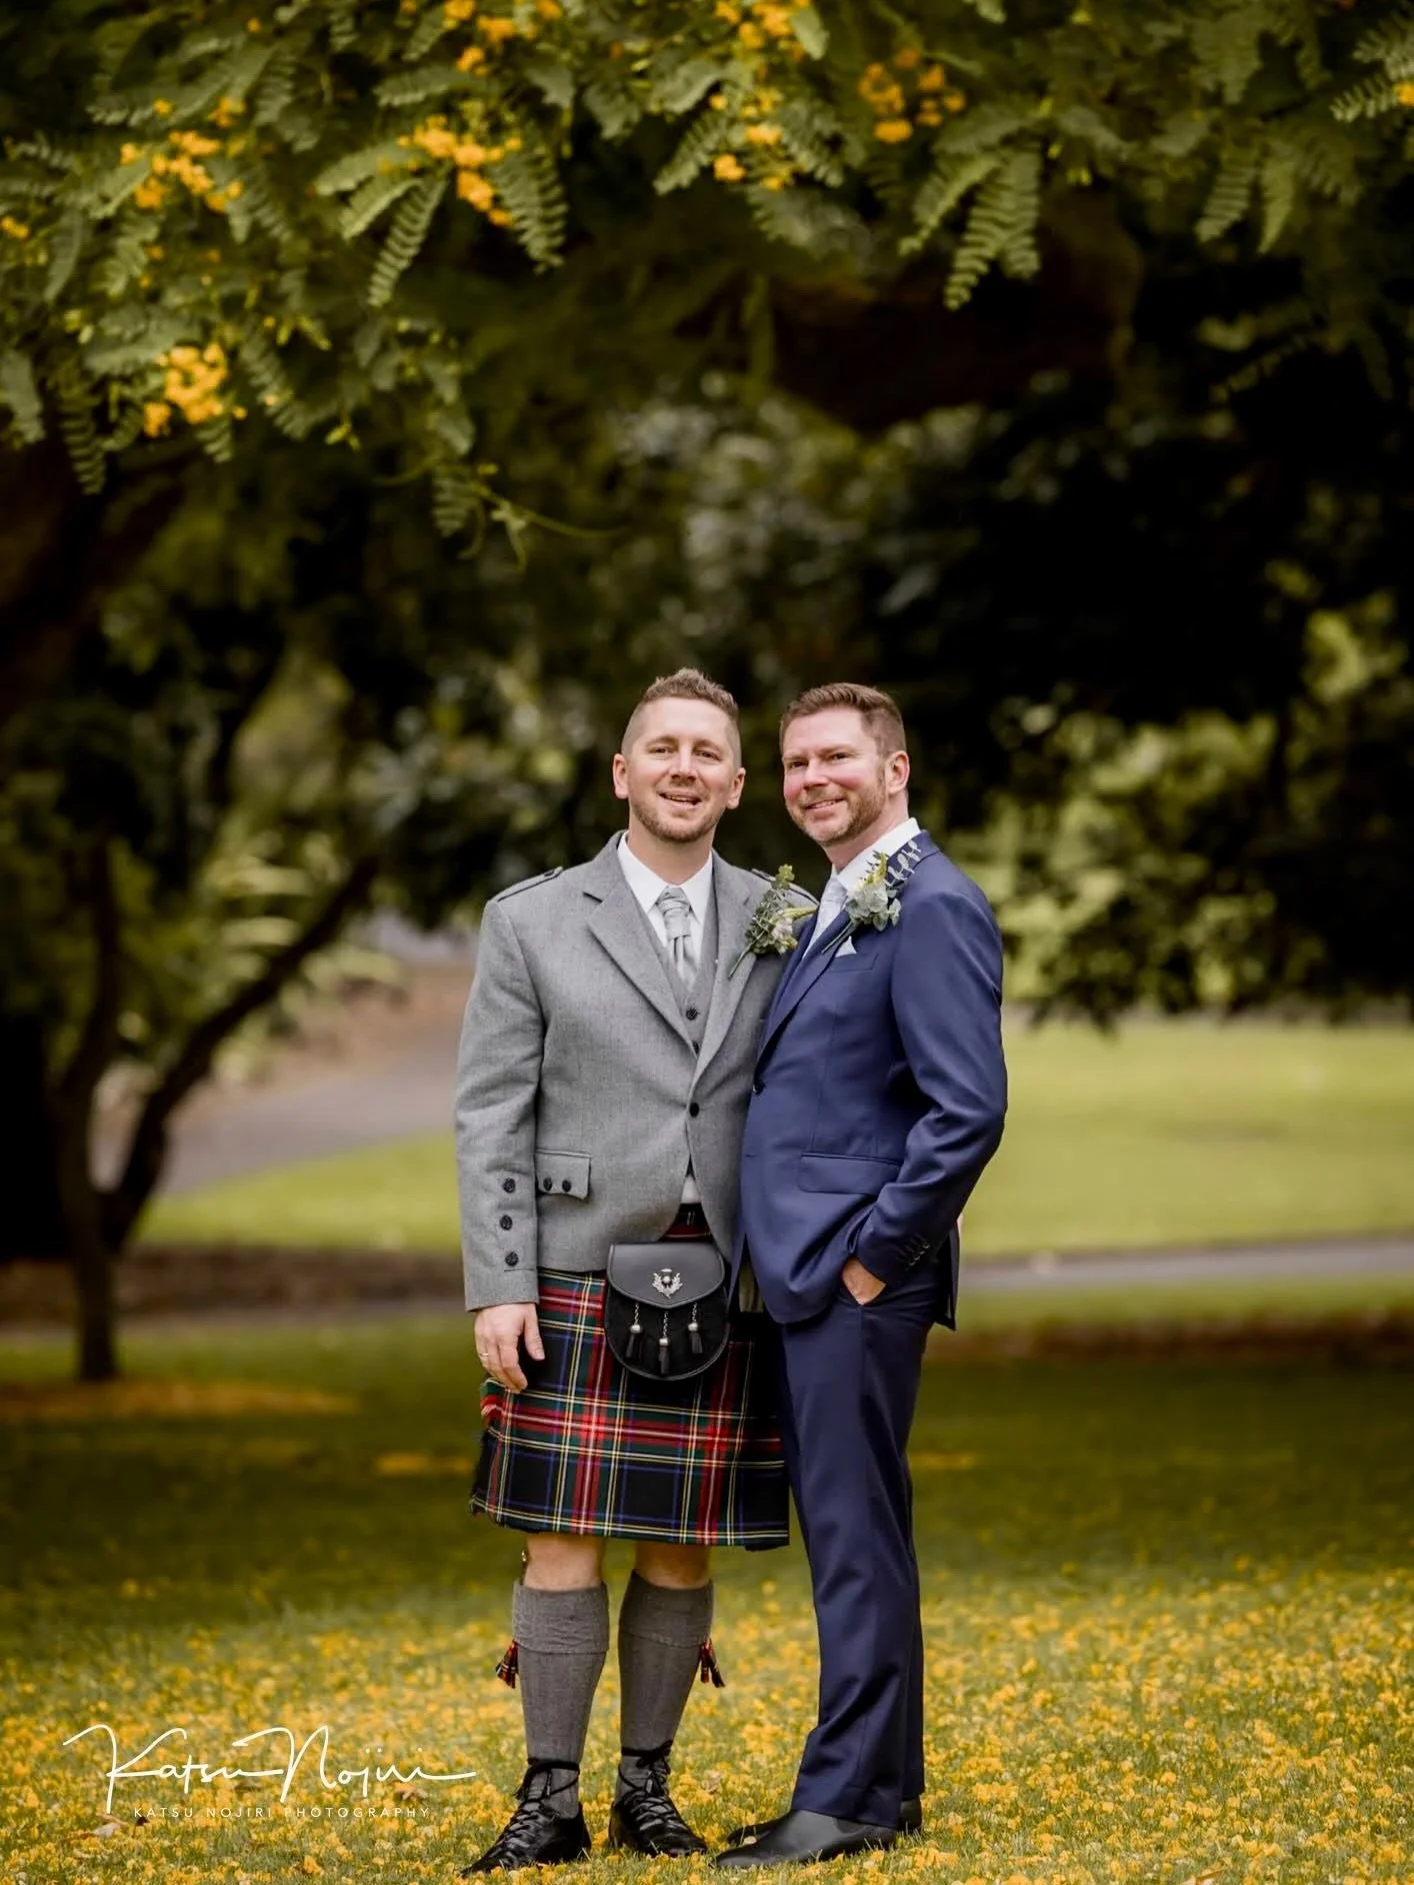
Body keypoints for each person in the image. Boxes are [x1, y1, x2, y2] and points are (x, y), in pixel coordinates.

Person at [453, 669, 797, 1874]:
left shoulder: (782, 918)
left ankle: (647, 1790)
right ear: (622, 769)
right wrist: (498, 1281)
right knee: (558, 1537)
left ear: (738, 782)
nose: (685, 766)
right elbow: (490, 1113)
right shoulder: (532, 920)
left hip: (722, 1275)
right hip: (570, 1270)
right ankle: (548, 1799)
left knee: (680, 1541)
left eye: (709, 750)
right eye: (663, 747)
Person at [717, 683, 1008, 1871]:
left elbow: (968, 1110)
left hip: (850, 1282)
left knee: (851, 1538)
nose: (810, 778)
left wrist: (872, 1260)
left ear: (894, 771)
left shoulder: (930, 903)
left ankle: (840, 1802)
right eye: (793, 762)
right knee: (863, 1534)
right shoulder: (835, 903)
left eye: (835, 756)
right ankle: (880, 1793)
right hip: (804, 1273)